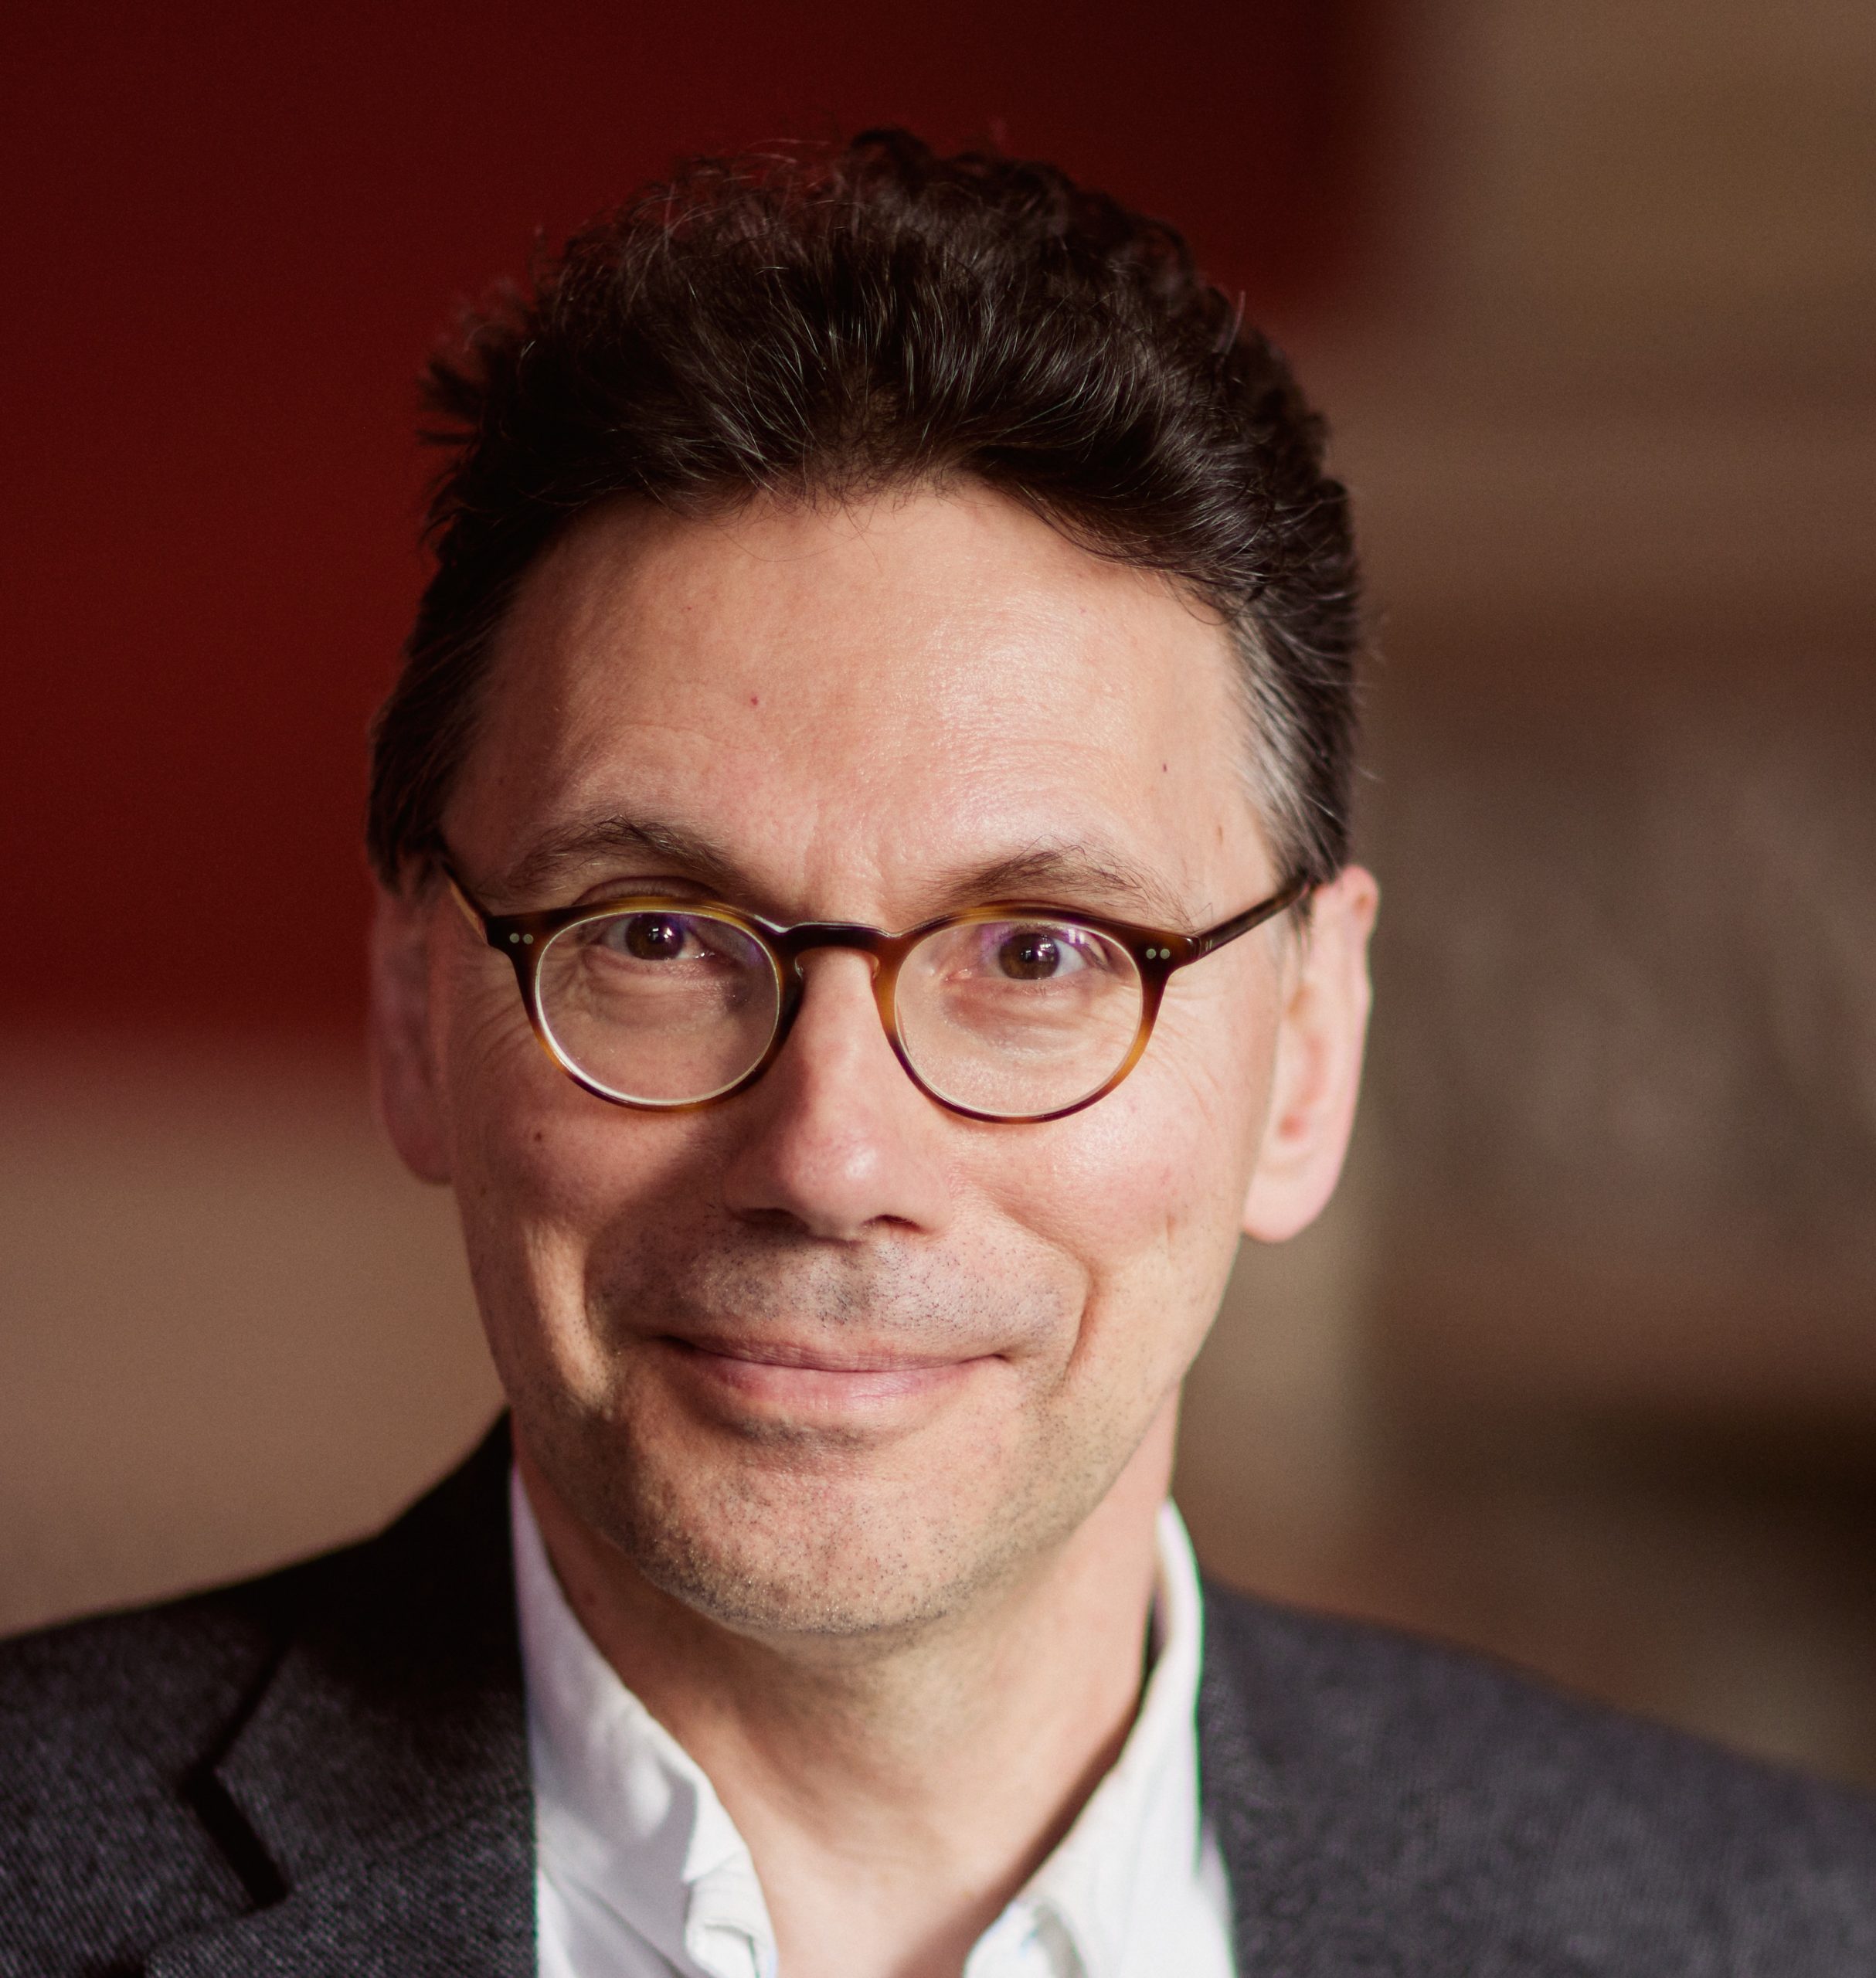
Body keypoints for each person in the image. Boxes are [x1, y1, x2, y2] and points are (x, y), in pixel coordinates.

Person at [2, 131, 1871, 1978]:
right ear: (418, 1011)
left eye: (1038, 951)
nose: (829, 1154)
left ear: (1306, 1054)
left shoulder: (1783, 1932)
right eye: (655, 933)